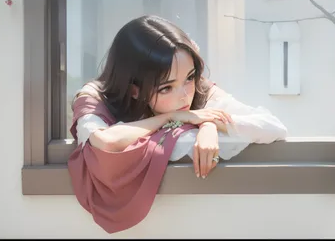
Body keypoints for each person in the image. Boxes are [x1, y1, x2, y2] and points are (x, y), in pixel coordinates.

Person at [67, 15, 287, 234]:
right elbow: (105, 142)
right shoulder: (94, 96)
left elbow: (272, 126)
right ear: (134, 90)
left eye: (189, 78)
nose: (185, 95)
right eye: (166, 88)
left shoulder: (200, 89)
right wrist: (174, 118)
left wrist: (208, 124)